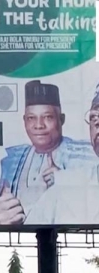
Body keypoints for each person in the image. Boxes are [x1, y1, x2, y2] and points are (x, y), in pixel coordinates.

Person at [0, 80, 97, 225]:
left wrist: (67, 181)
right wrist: (0, 222)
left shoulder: (88, 153)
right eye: (31, 118)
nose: (39, 126)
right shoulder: (13, 160)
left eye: (48, 117)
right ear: (24, 121)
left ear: (61, 119)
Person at [25, 85, 99, 224]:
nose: (97, 123)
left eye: (47, 117)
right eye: (94, 117)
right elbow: (29, 232)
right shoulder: (66, 186)